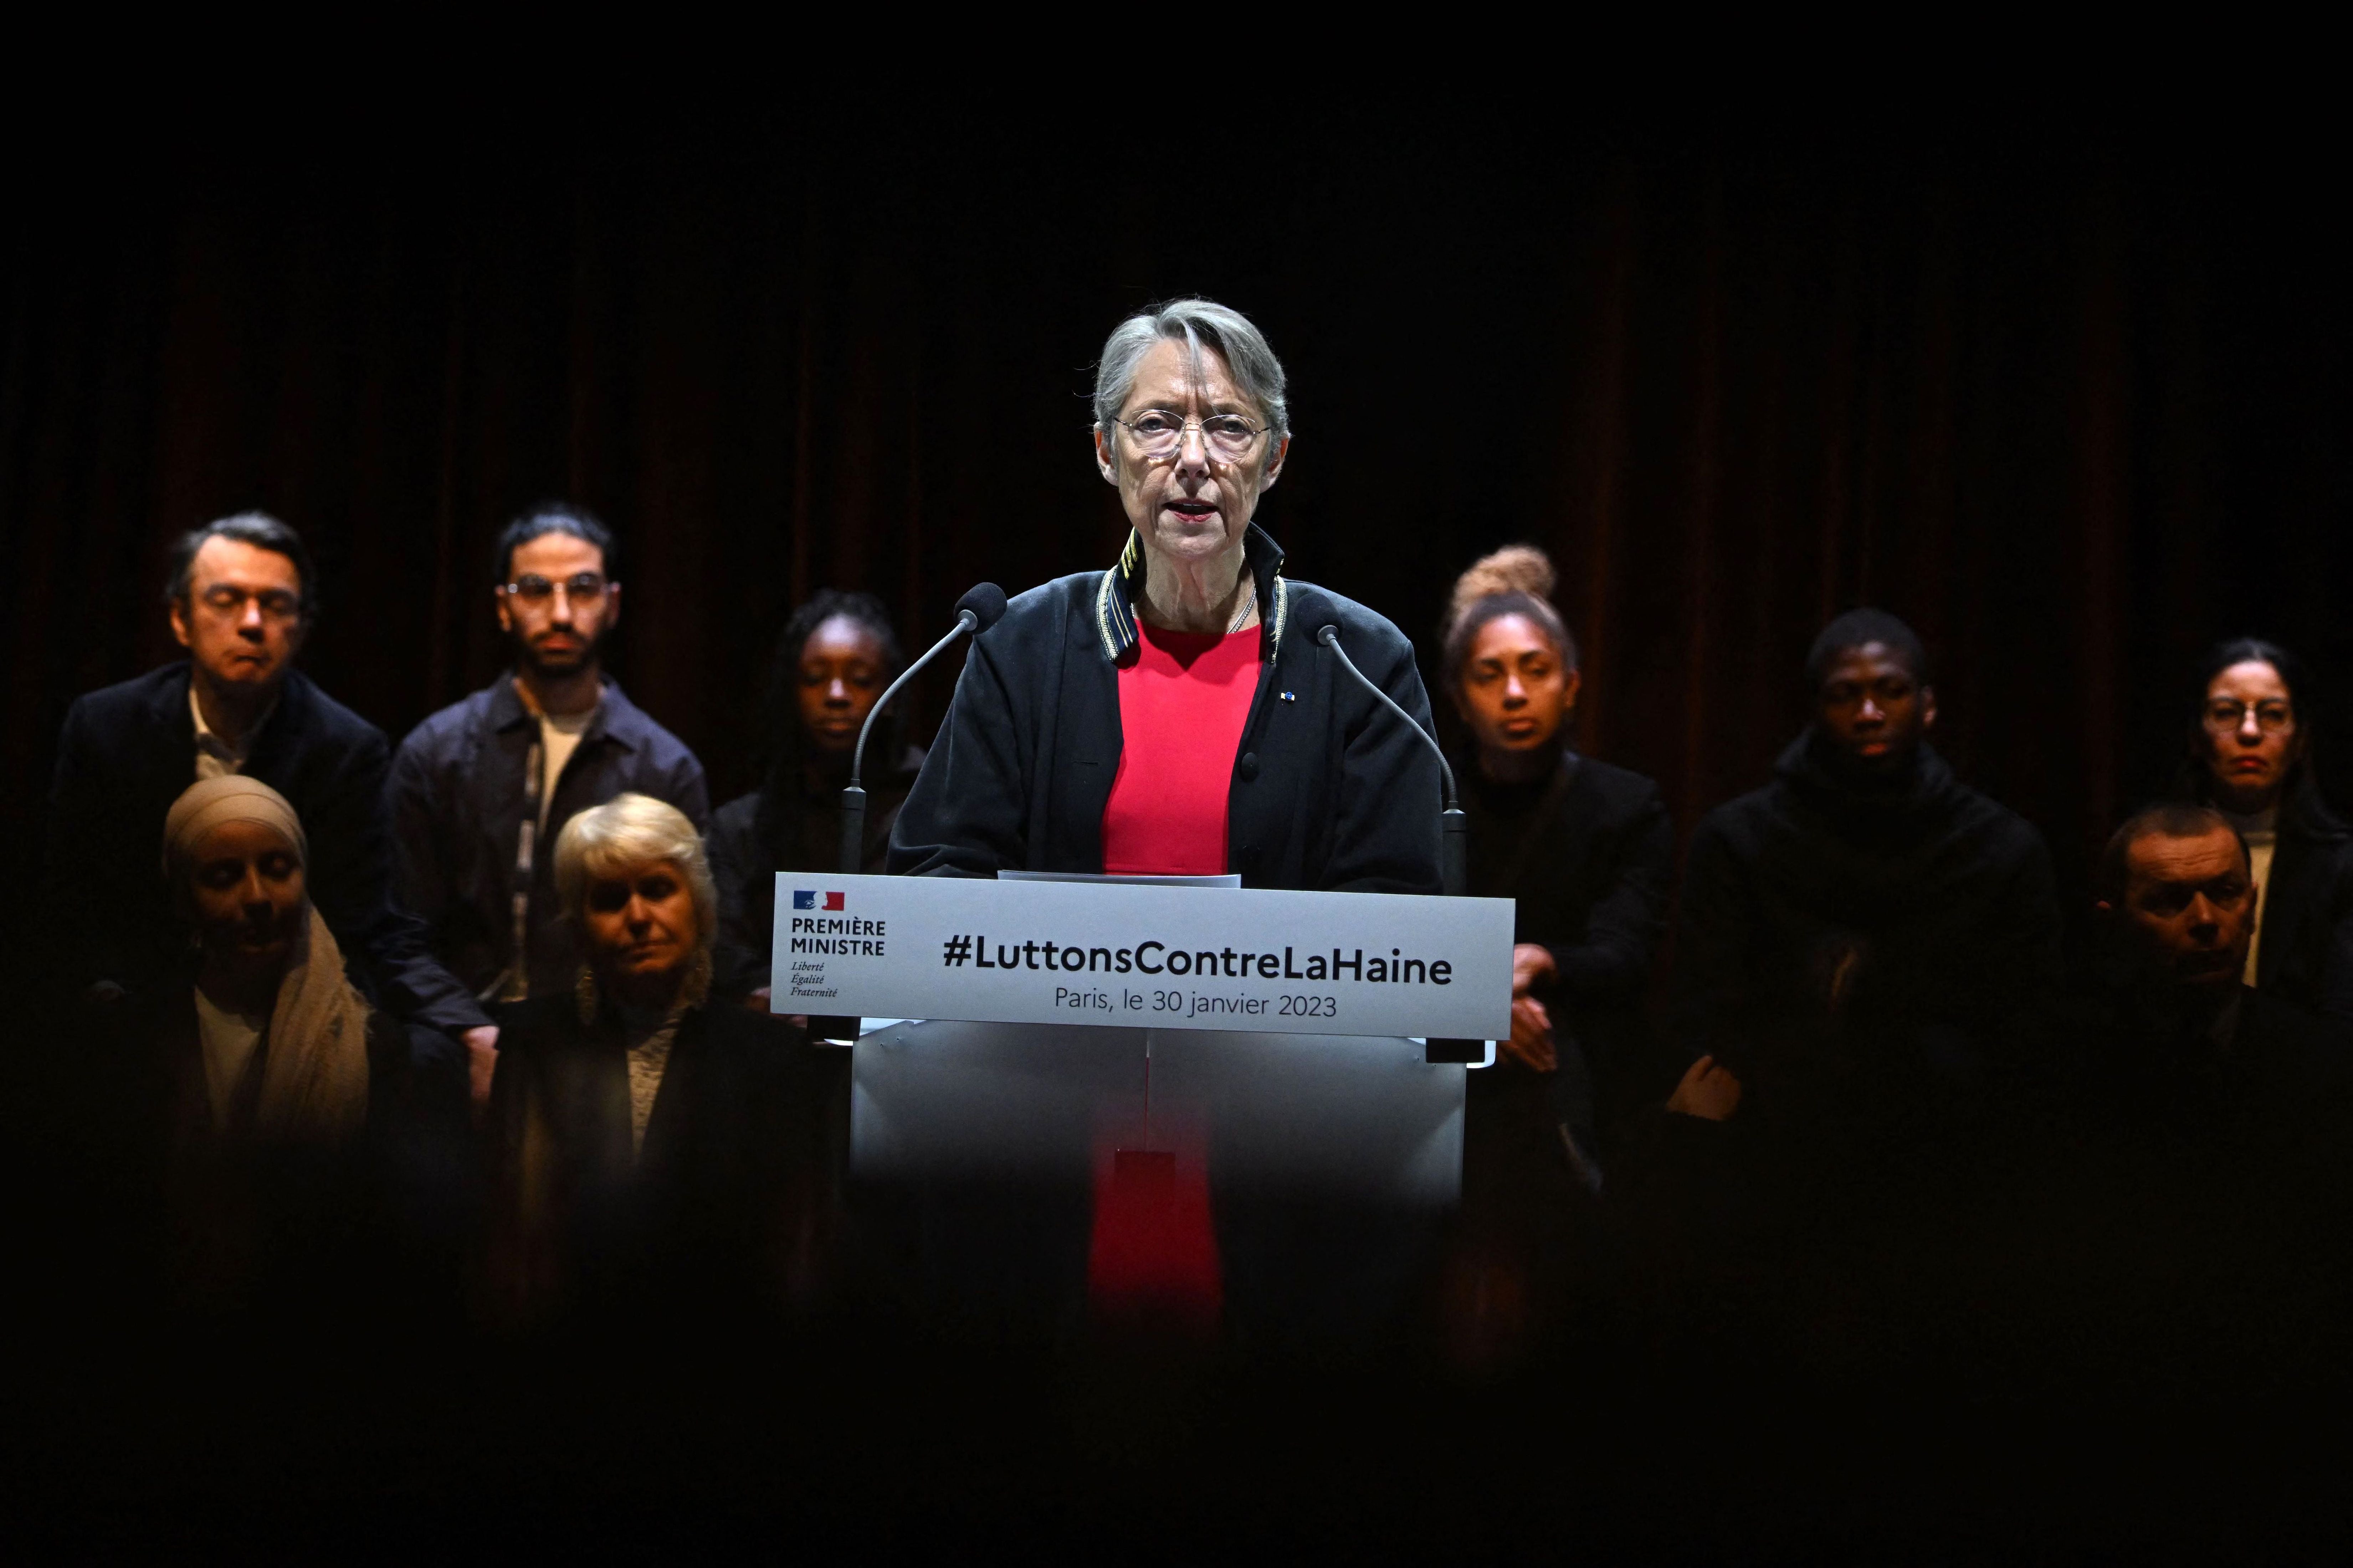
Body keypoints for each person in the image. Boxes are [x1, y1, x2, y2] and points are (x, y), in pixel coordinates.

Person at [890, 298, 1441, 890]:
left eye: (1231, 426)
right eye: (1158, 423)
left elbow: (1395, 908)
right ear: (1106, 450)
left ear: (1275, 458)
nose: (1194, 459)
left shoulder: (1362, 660)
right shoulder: (1023, 645)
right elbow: (939, 872)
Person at [47, 512, 480, 1045]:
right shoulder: (108, 727)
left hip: (289, 1022)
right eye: (226, 600)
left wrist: (464, 1024)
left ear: (300, 627)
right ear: (181, 619)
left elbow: (369, 923)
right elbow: (67, 905)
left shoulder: (345, 748)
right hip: (131, 1017)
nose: (252, 622)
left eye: (276, 605)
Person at [386, 502, 709, 1109]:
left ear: (612, 604)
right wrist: (470, 1032)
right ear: (503, 606)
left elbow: (689, 946)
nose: (561, 612)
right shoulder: (436, 752)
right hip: (455, 1035)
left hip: (601, 1042)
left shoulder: (665, 768)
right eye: (536, 589)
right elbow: (399, 931)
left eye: (582, 589)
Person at [1672, 608, 2062, 1085]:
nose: (1869, 714)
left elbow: (2027, 1025)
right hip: (1777, 1122)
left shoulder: (1997, 846)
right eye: (1844, 695)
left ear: (1928, 704)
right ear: (1816, 710)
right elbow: (1706, 1009)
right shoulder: (1739, 839)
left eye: (1891, 691)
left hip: (1950, 1127)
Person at [485, 794, 832, 1322]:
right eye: (610, 898)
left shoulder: (771, 1055)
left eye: (657, 889)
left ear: (700, 906)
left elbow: (788, 1250)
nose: (639, 916)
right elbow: (513, 1234)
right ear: (579, 926)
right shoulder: (532, 1042)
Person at [1444, 544, 1673, 1157]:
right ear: (1461, 699)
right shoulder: (1424, 803)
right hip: (1443, 1077)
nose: (1515, 692)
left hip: (1586, 1071)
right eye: (1489, 674)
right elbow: (1392, 937)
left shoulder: (1627, 804)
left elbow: (1626, 951)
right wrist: (1486, 1002)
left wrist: (1544, 959)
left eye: (1535, 669)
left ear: (1570, 685)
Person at [707, 591, 923, 1003]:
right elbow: (726, 955)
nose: (837, 694)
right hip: (772, 1043)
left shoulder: (933, 809)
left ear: (892, 695)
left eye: (860, 679)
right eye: (815, 678)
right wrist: (789, 996)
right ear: (792, 691)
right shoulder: (741, 827)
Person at [2167, 638, 2353, 1021]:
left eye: (2272, 714)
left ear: (2300, 740)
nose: (2249, 732)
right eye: (2226, 712)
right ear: (2196, 738)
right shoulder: (2154, 854)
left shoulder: (2343, 868)